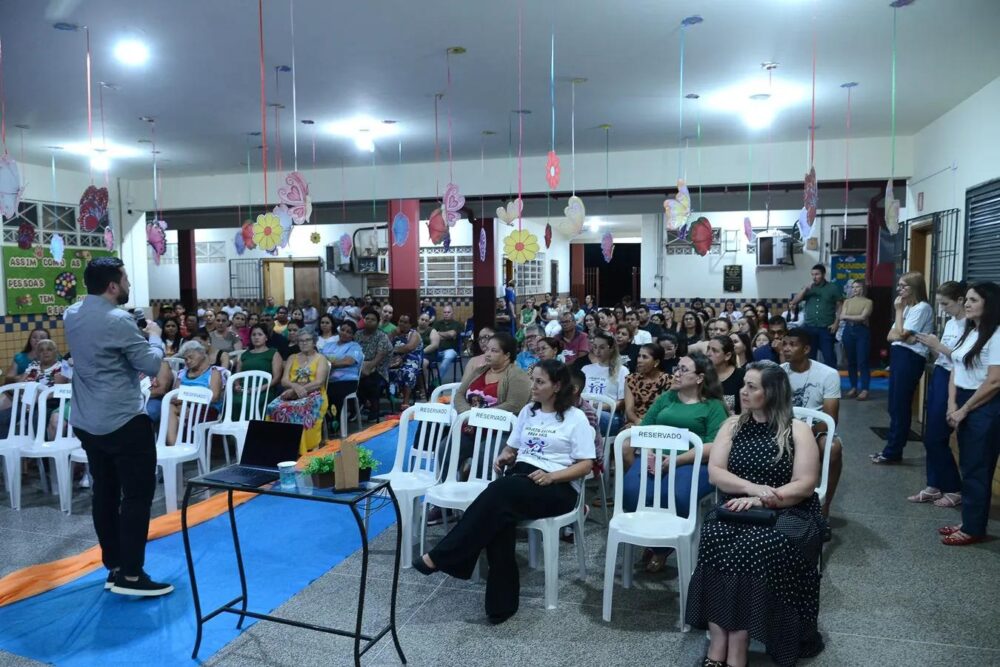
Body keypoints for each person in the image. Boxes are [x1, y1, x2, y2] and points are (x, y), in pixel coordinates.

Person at [414, 360, 595, 624]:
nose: (532, 386)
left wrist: (552, 476)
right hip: (521, 480)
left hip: (557, 486)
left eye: (540, 382)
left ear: (557, 386)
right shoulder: (528, 412)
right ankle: (501, 606)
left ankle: (444, 556)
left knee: (499, 492)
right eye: (533, 380)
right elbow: (513, 448)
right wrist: (505, 455)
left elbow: (586, 464)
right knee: (500, 515)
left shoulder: (575, 418)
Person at [686, 361, 825, 667]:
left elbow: (804, 485)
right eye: (744, 385)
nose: (743, 392)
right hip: (738, 507)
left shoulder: (797, 430)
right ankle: (719, 639)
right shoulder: (732, 425)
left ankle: (736, 643)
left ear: (772, 393)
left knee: (753, 547)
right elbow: (716, 473)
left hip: (789, 513)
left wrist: (761, 500)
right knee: (714, 534)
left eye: (752, 386)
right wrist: (752, 490)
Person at [64, 257, 173, 596]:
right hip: (122, 420)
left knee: (105, 493)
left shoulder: (72, 314)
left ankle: (113, 565)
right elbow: (150, 364)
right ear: (113, 286)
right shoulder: (119, 320)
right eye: (125, 279)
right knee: (137, 496)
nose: (128, 285)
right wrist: (153, 337)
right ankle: (131, 574)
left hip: (87, 420)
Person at [621, 352, 728, 572]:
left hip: (693, 462)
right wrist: (650, 453)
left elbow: (713, 446)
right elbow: (645, 428)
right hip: (657, 458)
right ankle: (651, 541)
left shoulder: (713, 406)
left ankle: (665, 547)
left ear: (699, 378)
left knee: (677, 495)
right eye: (676, 368)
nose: (676, 374)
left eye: (683, 370)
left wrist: (676, 461)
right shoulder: (667, 398)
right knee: (631, 491)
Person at [939, 282, 1000, 546]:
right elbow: (956, 367)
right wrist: (952, 403)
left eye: (974, 300)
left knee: (977, 467)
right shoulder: (971, 331)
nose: (967, 304)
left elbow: (994, 381)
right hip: (963, 399)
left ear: (989, 304)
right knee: (968, 464)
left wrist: (965, 408)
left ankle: (974, 528)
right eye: (967, 299)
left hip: (984, 404)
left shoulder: (996, 335)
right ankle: (969, 520)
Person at [909, 281, 967, 506]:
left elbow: (965, 359)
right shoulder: (952, 323)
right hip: (942, 373)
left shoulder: (970, 326)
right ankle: (934, 484)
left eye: (946, 304)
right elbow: (944, 355)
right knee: (930, 435)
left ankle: (953, 487)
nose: (942, 308)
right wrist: (929, 344)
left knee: (937, 436)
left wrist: (939, 346)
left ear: (960, 301)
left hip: (955, 378)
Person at [872, 271, 934, 464]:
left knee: (900, 405)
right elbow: (892, 336)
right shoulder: (909, 308)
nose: (899, 290)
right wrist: (903, 334)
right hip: (899, 354)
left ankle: (893, 451)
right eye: (899, 285)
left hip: (910, 358)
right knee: (894, 405)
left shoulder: (921, 308)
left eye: (903, 286)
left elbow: (901, 333)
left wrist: (898, 312)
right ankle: (892, 448)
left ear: (914, 287)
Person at [781, 328, 844, 517]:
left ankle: (824, 504)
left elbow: (831, 418)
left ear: (806, 348)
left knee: (833, 448)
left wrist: (805, 435)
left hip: (815, 430)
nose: (786, 348)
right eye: (784, 344)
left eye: (793, 344)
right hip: (784, 430)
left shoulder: (828, 374)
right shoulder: (778, 372)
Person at [450, 332, 532, 477]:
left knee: (484, 455)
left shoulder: (517, 375)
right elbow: (459, 395)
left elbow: (514, 406)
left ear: (507, 355)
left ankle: (484, 494)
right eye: (487, 349)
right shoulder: (478, 371)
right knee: (447, 447)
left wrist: (478, 417)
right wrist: (468, 414)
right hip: (471, 428)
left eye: (494, 351)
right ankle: (446, 486)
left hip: (501, 431)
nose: (487, 354)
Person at [265, 328, 330, 455]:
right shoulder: (292, 358)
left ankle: (302, 448)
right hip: (291, 392)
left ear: (314, 342)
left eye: (307, 340)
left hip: (314, 394)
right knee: (273, 407)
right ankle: (277, 446)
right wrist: (295, 388)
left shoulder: (321, 358)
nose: (304, 343)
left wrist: (299, 390)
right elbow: (284, 381)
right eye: (300, 341)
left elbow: (319, 382)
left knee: (298, 409)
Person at [168, 341, 224, 446]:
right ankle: (174, 446)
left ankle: (177, 447)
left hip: (206, 408)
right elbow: (174, 395)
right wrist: (183, 405)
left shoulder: (214, 372)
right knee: (169, 407)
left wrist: (187, 400)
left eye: (190, 357)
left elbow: (214, 397)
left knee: (182, 411)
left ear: (202, 353)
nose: (188, 361)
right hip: (183, 407)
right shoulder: (183, 373)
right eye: (185, 359)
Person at [790, 264, 844, 367]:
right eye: (812, 274)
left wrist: (836, 323)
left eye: (817, 274)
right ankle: (812, 380)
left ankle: (832, 381)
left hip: (826, 327)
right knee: (810, 355)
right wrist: (805, 289)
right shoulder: (808, 288)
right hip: (810, 327)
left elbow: (840, 305)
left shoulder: (833, 288)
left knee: (829, 356)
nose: (814, 277)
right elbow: (794, 302)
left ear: (823, 274)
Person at [580, 331, 629, 436]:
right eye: (595, 347)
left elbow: (622, 402)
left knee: (587, 416)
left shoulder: (622, 370)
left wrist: (598, 407)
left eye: (602, 347)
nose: (597, 351)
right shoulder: (586, 369)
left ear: (611, 349)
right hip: (587, 411)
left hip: (609, 415)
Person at [322, 320, 365, 426]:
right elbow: (319, 358)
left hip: (347, 381)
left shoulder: (355, 346)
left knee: (332, 392)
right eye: (342, 330)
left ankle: (335, 422)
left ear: (352, 335)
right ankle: (323, 422)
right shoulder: (328, 345)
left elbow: (348, 361)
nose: (344, 333)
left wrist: (328, 364)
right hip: (327, 379)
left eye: (348, 332)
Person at [355, 308, 393, 418]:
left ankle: (373, 409)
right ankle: (359, 407)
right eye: (367, 318)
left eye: (373, 319)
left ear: (377, 322)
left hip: (378, 369)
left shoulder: (382, 336)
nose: (369, 321)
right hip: (359, 367)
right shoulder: (358, 334)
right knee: (349, 381)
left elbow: (379, 358)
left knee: (369, 382)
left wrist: (367, 369)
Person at [840, 278, 874, 400]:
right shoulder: (847, 301)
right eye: (853, 287)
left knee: (863, 361)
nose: (855, 289)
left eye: (857, 287)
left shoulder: (868, 302)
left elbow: (863, 317)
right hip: (848, 331)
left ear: (863, 288)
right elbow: (841, 316)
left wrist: (850, 317)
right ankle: (853, 387)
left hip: (861, 331)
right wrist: (855, 317)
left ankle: (865, 389)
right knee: (851, 362)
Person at [624, 343, 671, 427]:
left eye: (644, 357)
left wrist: (648, 426)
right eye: (639, 356)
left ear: (656, 362)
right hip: (635, 423)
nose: (639, 360)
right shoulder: (631, 379)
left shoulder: (669, 381)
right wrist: (638, 422)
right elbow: (629, 410)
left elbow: (666, 410)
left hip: (659, 425)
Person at [388, 314, 423, 408]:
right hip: (395, 361)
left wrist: (392, 350)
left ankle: (406, 401)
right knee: (384, 371)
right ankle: (391, 396)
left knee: (407, 372)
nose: (402, 324)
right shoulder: (395, 333)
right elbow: (385, 344)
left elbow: (409, 347)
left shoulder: (414, 334)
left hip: (411, 360)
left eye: (405, 322)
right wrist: (393, 334)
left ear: (410, 324)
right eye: (400, 321)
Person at [708, 335, 744, 415]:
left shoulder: (741, 376)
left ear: (727, 356)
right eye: (708, 349)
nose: (708, 354)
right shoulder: (704, 375)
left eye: (715, 351)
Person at [432, 304, 464, 382]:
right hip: (437, 351)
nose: (446, 314)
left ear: (452, 313)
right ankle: (423, 386)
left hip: (452, 350)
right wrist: (447, 335)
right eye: (445, 312)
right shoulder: (437, 323)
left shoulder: (457, 324)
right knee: (424, 358)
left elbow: (452, 334)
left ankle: (436, 381)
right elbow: (433, 335)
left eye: (448, 312)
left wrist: (439, 333)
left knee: (448, 356)